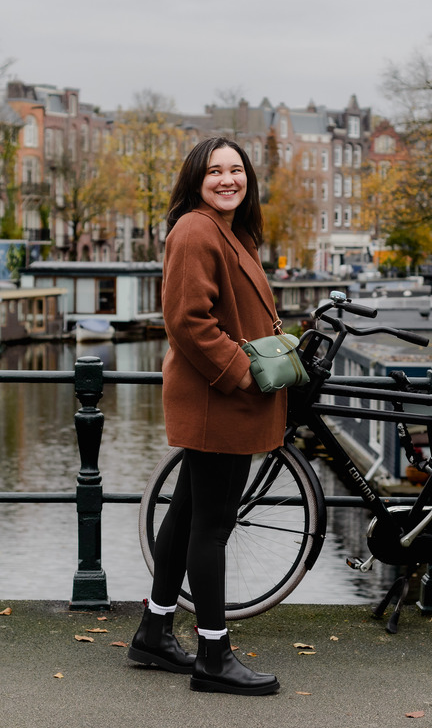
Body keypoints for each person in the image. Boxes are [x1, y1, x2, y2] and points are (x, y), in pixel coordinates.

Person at [127, 136, 285, 696]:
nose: (227, 179)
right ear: (196, 178)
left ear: (248, 179)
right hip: (218, 399)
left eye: (236, 170)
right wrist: (242, 372)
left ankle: (153, 629)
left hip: (218, 398)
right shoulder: (196, 230)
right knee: (214, 526)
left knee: (188, 514)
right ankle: (214, 654)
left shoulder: (231, 230)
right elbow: (187, 320)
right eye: (214, 171)